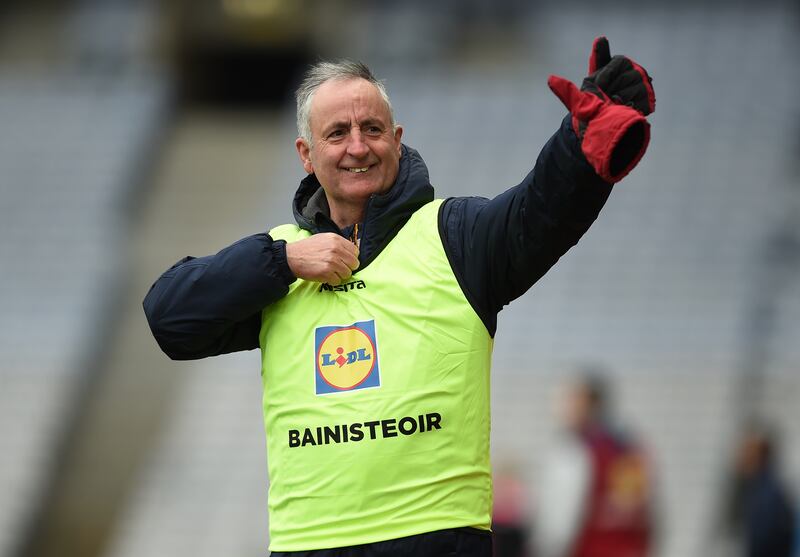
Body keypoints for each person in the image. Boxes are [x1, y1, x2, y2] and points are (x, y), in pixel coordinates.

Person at [143, 37, 655, 556]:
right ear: (306, 154)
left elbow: (540, 213)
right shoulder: (281, 262)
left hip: (436, 538)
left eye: (372, 129)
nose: (358, 146)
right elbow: (169, 317)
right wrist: (282, 261)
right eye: (337, 133)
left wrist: (578, 142)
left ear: (397, 138)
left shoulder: (452, 236)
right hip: (308, 545)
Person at [534, 374, 655, 557]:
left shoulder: (575, 449)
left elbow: (560, 525)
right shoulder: (631, 450)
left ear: (587, 404)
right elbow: (649, 516)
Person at [721, 423, 796, 557]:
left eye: (747, 452)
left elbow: (762, 542)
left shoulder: (768, 495)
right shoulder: (757, 489)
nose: (741, 457)